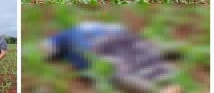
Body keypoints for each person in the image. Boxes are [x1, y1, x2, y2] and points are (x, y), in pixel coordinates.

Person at [42, 21, 182, 93]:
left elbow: (46, 50)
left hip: (96, 47)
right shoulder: (85, 26)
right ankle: (169, 50)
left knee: (113, 71)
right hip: (119, 34)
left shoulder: (61, 38)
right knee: (140, 49)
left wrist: (48, 57)